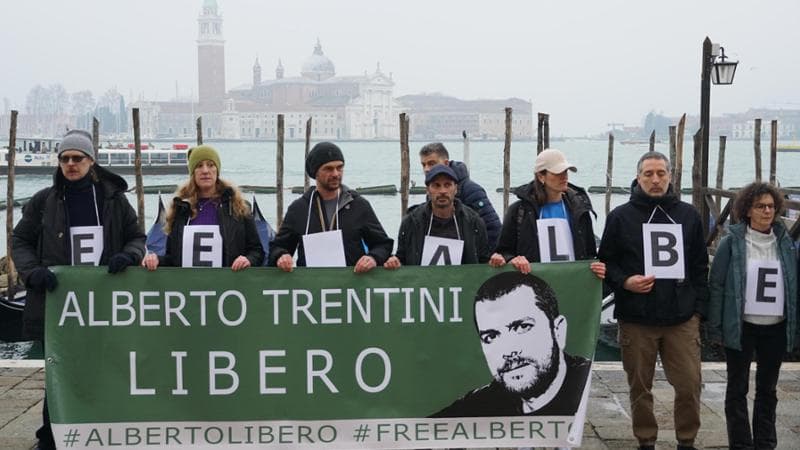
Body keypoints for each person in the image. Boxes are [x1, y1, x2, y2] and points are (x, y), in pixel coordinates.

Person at [12, 129, 146, 450]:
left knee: (105, 368)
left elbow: (137, 238)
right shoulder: (44, 201)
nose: (71, 164)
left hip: (104, 303)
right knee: (59, 373)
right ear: (59, 163)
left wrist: (128, 256)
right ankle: (51, 435)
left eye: (78, 158)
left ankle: (104, 427)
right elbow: (20, 241)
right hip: (58, 304)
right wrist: (33, 273)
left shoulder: (113, 200)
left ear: (91, 162)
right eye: (65, 158)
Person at [598, 151, 708, 450]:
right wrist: (625, 282)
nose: (655, 179)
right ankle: (645, 440)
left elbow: (700, 266)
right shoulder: (619, 217)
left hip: (681, 318)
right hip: (636, 318)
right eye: (649, 174)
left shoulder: (689, 215)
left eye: (661, 173)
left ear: (670, 176)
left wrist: (698, 311)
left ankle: (687, 440)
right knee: (639, 387)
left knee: (689, 384)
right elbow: (606, 263)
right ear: (638, 177)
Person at [708, 182, 798, 450]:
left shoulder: (786, 244)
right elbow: (717, 285)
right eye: (760, 206)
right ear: (747, 210)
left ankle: (766, 442)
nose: (767, 211)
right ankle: (740, 443)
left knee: (768, 391)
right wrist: (715, 328)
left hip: (776, 328)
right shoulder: (731, 243)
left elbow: (793, 285)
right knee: (737, 389)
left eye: (771, 206)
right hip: (742, 326)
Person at [432, 271, 591, 417]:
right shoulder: (486, 401)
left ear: (558, 330)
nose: (508, 351)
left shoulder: (583, 385)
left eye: (522, 327)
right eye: (491, 337)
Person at [269, 141, 393, 272]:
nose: (335, 174)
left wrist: (373, 258)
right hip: (312, 287)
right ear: (315, 172)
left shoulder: (359, 205)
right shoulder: (299, 208)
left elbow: (383, 244)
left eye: (339, 167)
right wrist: (281, 256)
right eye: (328, 169)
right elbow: (276, 247)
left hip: (352, 286)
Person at [141, 145, 263, 270]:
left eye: (210, 165)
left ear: (217, 170)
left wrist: (248, 260)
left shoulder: (239, 207)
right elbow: (173, 259)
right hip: (190, 286)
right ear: (193, 172)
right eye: (199, 166)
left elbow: (257, 252)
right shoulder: (181, 209)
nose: (205, 170)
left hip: (229, 285)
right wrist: (156, 259)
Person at [490, 148, 605, 279]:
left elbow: (589, 254)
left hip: (572, 283)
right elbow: (503, 252)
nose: (564, 176)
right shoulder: (518, 211)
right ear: (541, 176)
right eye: (557, 173)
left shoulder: (580, 208)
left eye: (566, 171)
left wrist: (596, 267)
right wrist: (513, 260)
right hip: (533, 284)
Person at [384, 164, 489, 268]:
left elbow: (484, 261)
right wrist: (395, 262)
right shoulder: (411, 221)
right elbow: (402, 258)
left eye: (447, 185)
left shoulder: (474, 221)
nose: (442, 191)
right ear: (428, 190)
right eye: (436, 185)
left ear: (455, 189)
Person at [419, 142, 501, 250]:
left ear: (446, 163)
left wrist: (481, 257)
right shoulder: (432, 192)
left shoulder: (471, 190)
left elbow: (493, 228)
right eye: (423, 165)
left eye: (431, 163)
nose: (426, 169)